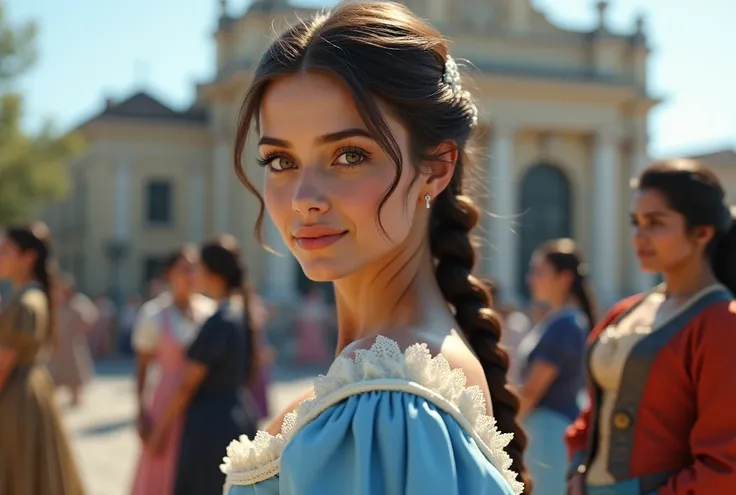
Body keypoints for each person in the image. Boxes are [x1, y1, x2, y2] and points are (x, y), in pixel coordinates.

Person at [220, 2, 528, 494]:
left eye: (349, 155)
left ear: (436, 168)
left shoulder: (391, 405)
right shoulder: (389, 380)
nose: (304, 199)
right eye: (280, 160)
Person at [566, 159, 736, 495]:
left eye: (656, 223)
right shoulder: (624, 312)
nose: (639, 237)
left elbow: (726, 463)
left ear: (702, 232)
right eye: (635, 222)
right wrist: (577, 468)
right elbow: (595, 408)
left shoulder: (722, 321)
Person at [149, 236, 259, 495]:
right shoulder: (236, 312)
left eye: (197, 268)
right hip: (232, 417)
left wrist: (160, 429)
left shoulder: (221, 320)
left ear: (213, 273)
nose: (193, 274)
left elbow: (188, 383)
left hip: (211, 427)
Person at [0, 223, 86, 494]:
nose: (0, 255)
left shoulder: (26, 301)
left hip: (16, 395)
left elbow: (3, 365)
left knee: (20, 475)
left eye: (5, 250)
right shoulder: (28, 295)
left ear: (28, 257)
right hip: (26, 392)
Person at [130, 246, 216, 495]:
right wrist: (141, 411)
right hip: (166, 400)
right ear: (170, 274)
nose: (191, 276)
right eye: (185, 269)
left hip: (203, 400)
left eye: (195, 269)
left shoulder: (209, 311)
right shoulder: (153, 314)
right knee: (162, 467)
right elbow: (142, 368)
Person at [516, 239, 593, 495]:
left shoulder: (565, 324)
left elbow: (532, 390)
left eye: (539, 272)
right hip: (547, 431)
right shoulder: (562, 321)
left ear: (564, 278)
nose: (531, 279)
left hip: (549, 435)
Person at [47, 273, 98, 407]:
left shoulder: (79, 302)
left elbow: (90, 319)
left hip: (73, 346)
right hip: (57, 346)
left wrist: (79, 327)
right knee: (52, 375)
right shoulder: (55, 302)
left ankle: (75, 399)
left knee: (75, 376)